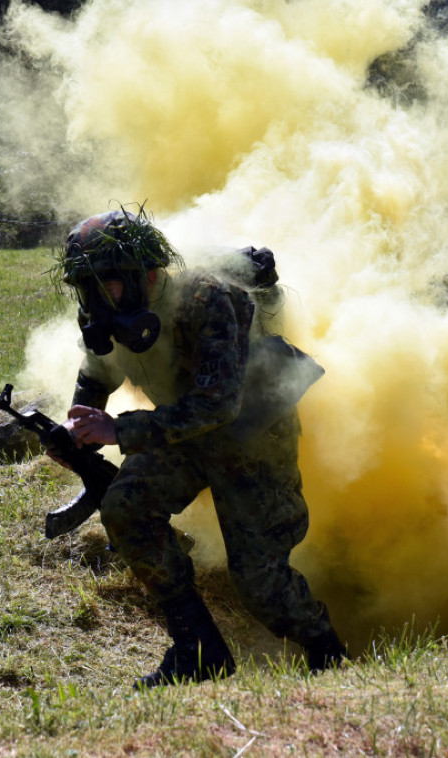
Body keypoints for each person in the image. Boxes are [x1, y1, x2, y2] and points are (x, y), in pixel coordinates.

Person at [52, 207, 346, 688]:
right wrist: (76, 427)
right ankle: (199, 651)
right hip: (180, 432)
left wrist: (119, 431)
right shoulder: (108, 312)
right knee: (126, 508)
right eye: (87, 288)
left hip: (250, 434)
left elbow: (216, 407)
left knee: (259, 585)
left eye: (108, 285)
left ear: (145, 275)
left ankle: (328, 654)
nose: (97, 299)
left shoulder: (211, 297)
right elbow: (96, 372)